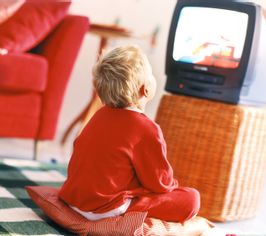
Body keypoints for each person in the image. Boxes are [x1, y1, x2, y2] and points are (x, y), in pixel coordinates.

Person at [59, 45, 200, 222]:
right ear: (146, 89)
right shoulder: (146, 129)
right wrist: (173, 186)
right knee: (191, 198)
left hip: (74, 201)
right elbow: (160, 183)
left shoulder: (98, 115)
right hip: (105, 209)